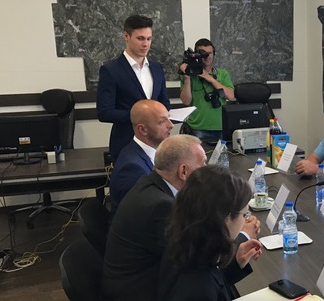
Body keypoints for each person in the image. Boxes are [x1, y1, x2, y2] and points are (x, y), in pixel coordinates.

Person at [101, 134, 261, 301]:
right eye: (203, 163)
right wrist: (241, 234)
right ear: (184, 171)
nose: (207, 169)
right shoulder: (161, 207)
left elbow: (204, 272)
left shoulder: (153, 187)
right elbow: (199, 269)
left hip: (150, 294)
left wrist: (236, 260)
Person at [141, 166, 263, 301]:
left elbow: (209, 283)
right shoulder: (197, 293)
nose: (245, 220)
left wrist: (235, 264)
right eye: (243, 215)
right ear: (225, 220)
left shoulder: (184, 248)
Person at [97, 14, 170, 161]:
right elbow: (104, 112)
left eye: (149, 39)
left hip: (157, 144)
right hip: (126, 143)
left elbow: (164, 103)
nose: (146, 44)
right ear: (126, 36)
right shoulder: (111, 70)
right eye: (140, 38)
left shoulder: (157, 68)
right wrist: (142, 117)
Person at [108, 99, 174, 219]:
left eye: (168, 118)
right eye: (162, 121)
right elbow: (144, 214)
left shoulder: (143, 152)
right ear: (142, 130)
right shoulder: (132, 168)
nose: (171, 125)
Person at [179, 38, 235, 142]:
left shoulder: (223, 74)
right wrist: (187, 78)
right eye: (203, 53)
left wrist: (208, 77)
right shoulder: (191, 75)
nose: (207, 56)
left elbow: (231, 96)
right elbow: (186, 101)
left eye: (210, 53)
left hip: (221, 127)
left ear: (214, 54)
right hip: (197, 128)